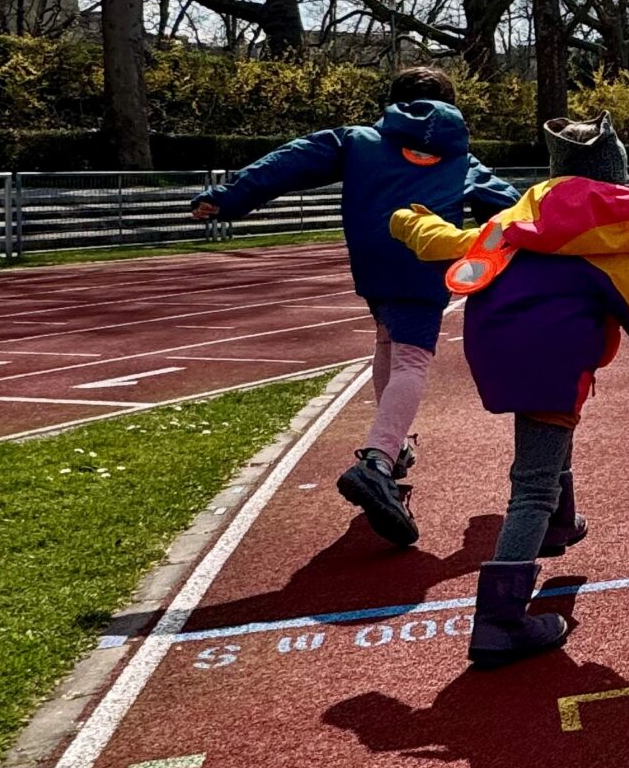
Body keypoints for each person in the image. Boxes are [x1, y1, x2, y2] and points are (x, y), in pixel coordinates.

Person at [391, 114, 629, 669]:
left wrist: (410, 221)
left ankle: (559, 524)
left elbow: (446, 242)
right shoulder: (608, 241)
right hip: (553, 363)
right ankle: (500, 620)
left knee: (546, 446)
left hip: (494, 350)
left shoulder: (511, 223)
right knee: (531, 484)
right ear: (614, 175)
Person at [193, 68, 517, 547]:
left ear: (393, 101)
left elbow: (289, 161)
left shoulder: (358, 141)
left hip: (371, 259)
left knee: (388, 341)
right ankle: (379, 461)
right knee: (412, 359)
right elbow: (509, 207)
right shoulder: (461, 159)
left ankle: (395, 447)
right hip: (423, 258)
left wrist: (229, 198)